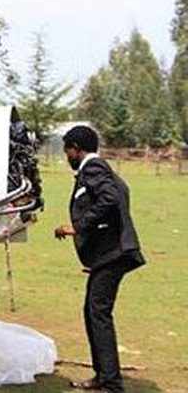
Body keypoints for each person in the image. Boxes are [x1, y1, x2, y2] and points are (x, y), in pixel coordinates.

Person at [54, 126, 145, 392]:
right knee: (94, 311)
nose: (66, 156)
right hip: (108, 254)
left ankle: (111, 383)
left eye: (67, 150)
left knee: (98, 312)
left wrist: (79, 226)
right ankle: (103, 377)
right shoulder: (100, 170)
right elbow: (120, 192)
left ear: (76, 148)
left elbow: (110, 198)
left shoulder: (93, 168)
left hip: (114, 253)